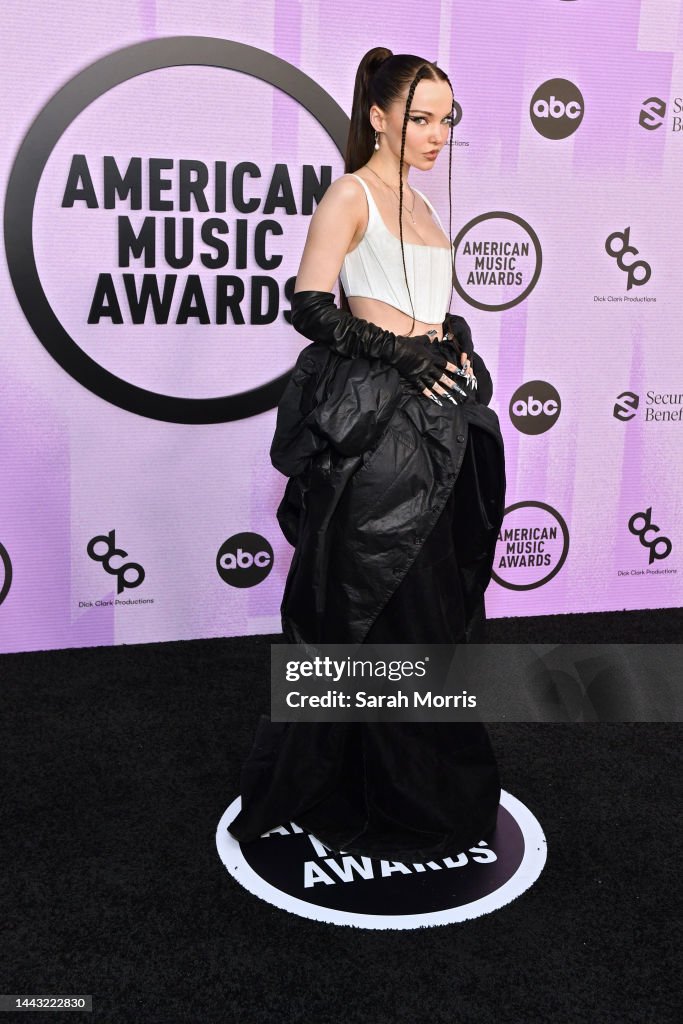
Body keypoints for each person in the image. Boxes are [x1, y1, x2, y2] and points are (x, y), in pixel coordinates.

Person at [227, 48, 506, 863]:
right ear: (379, 116)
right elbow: (310, 303)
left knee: (431, 611)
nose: (435, 133)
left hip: (440, 425)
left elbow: (428, 308)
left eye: (445, 119)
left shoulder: (424, 207)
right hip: (377, 433)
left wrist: (451, 343)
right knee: (368, 609)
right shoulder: (349, 194)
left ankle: (419, 780)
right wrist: (397, 352)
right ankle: (347, 783)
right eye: (419, 117)